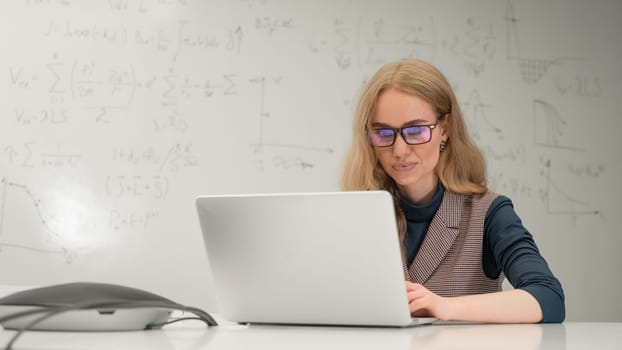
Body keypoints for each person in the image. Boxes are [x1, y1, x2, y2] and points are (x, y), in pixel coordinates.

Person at [340, 58, 565, 323]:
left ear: (445, 129)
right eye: (383, 133)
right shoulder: (355, 214)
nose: (399, 150)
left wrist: (446, 307)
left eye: (415, 130)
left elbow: (548, 298)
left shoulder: (489, 213)